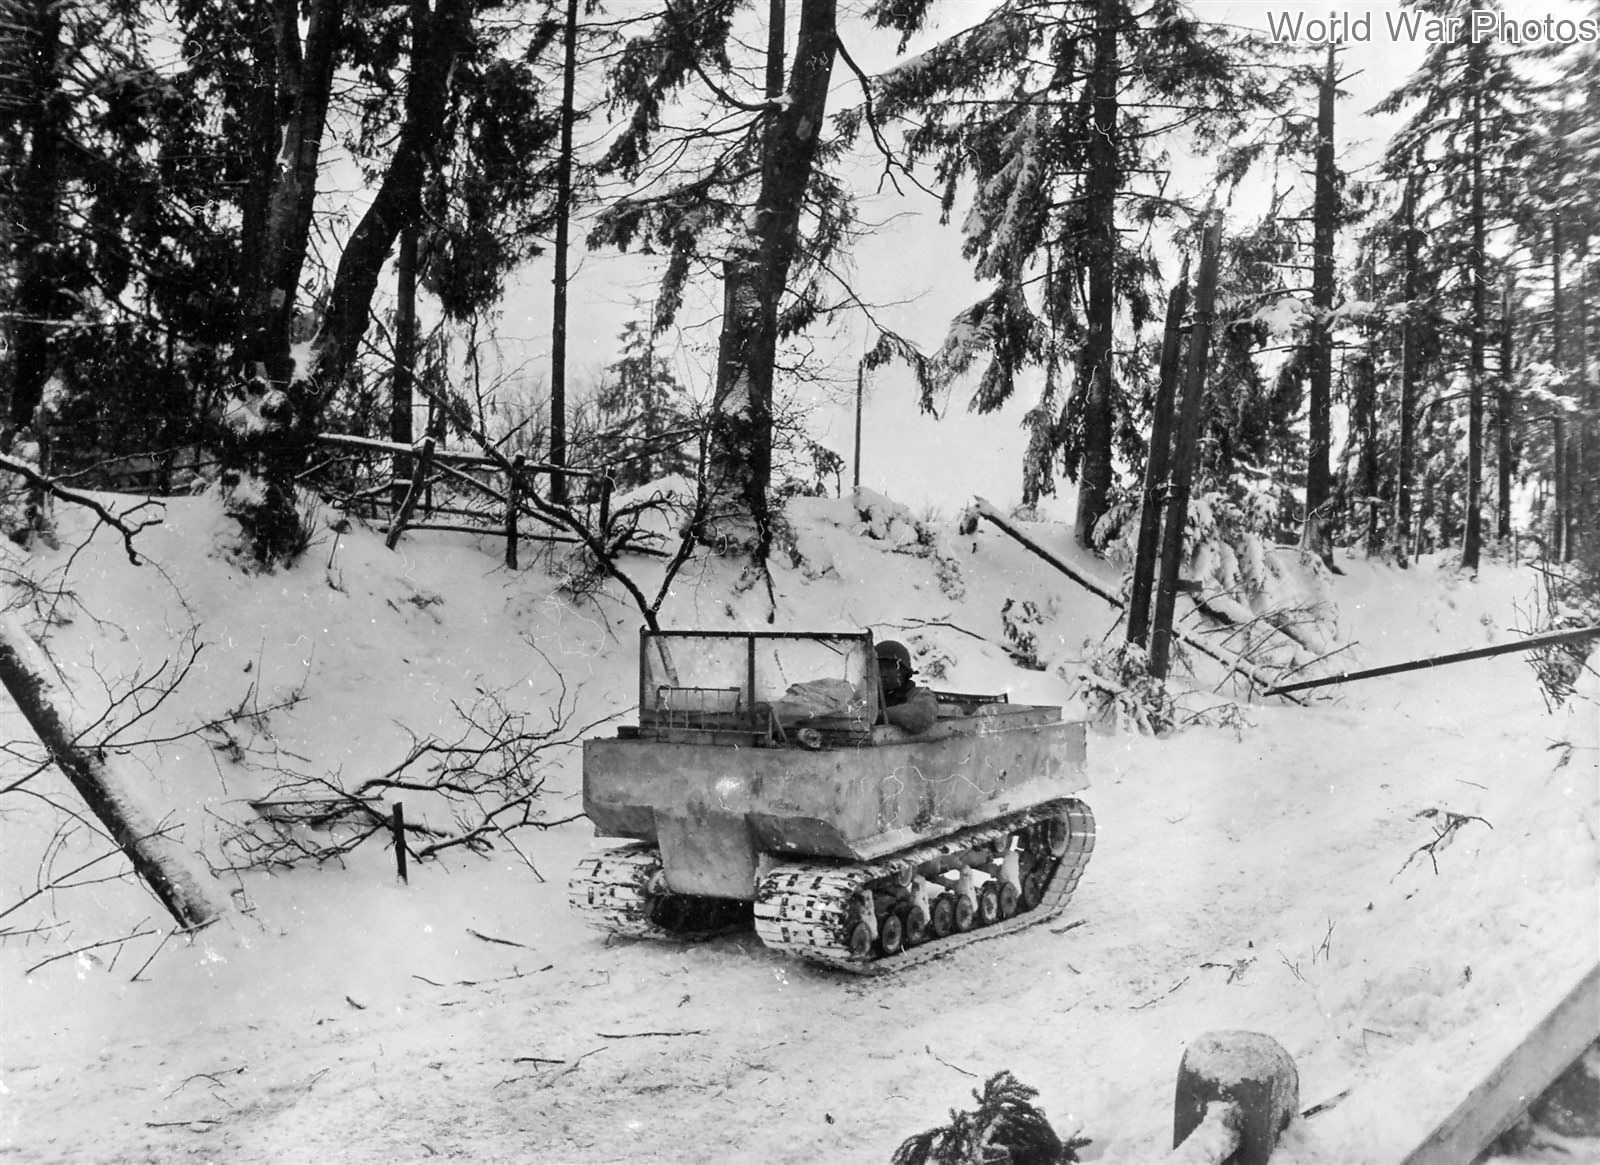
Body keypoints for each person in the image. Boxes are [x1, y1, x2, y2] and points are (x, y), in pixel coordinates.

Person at [875, 639, 938, 734]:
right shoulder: (867, 695)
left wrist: (880, 715)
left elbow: (922, 714)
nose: (883, 673)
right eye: (879, 668)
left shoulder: (917, 694)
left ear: (904, 671)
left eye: (889, 668)